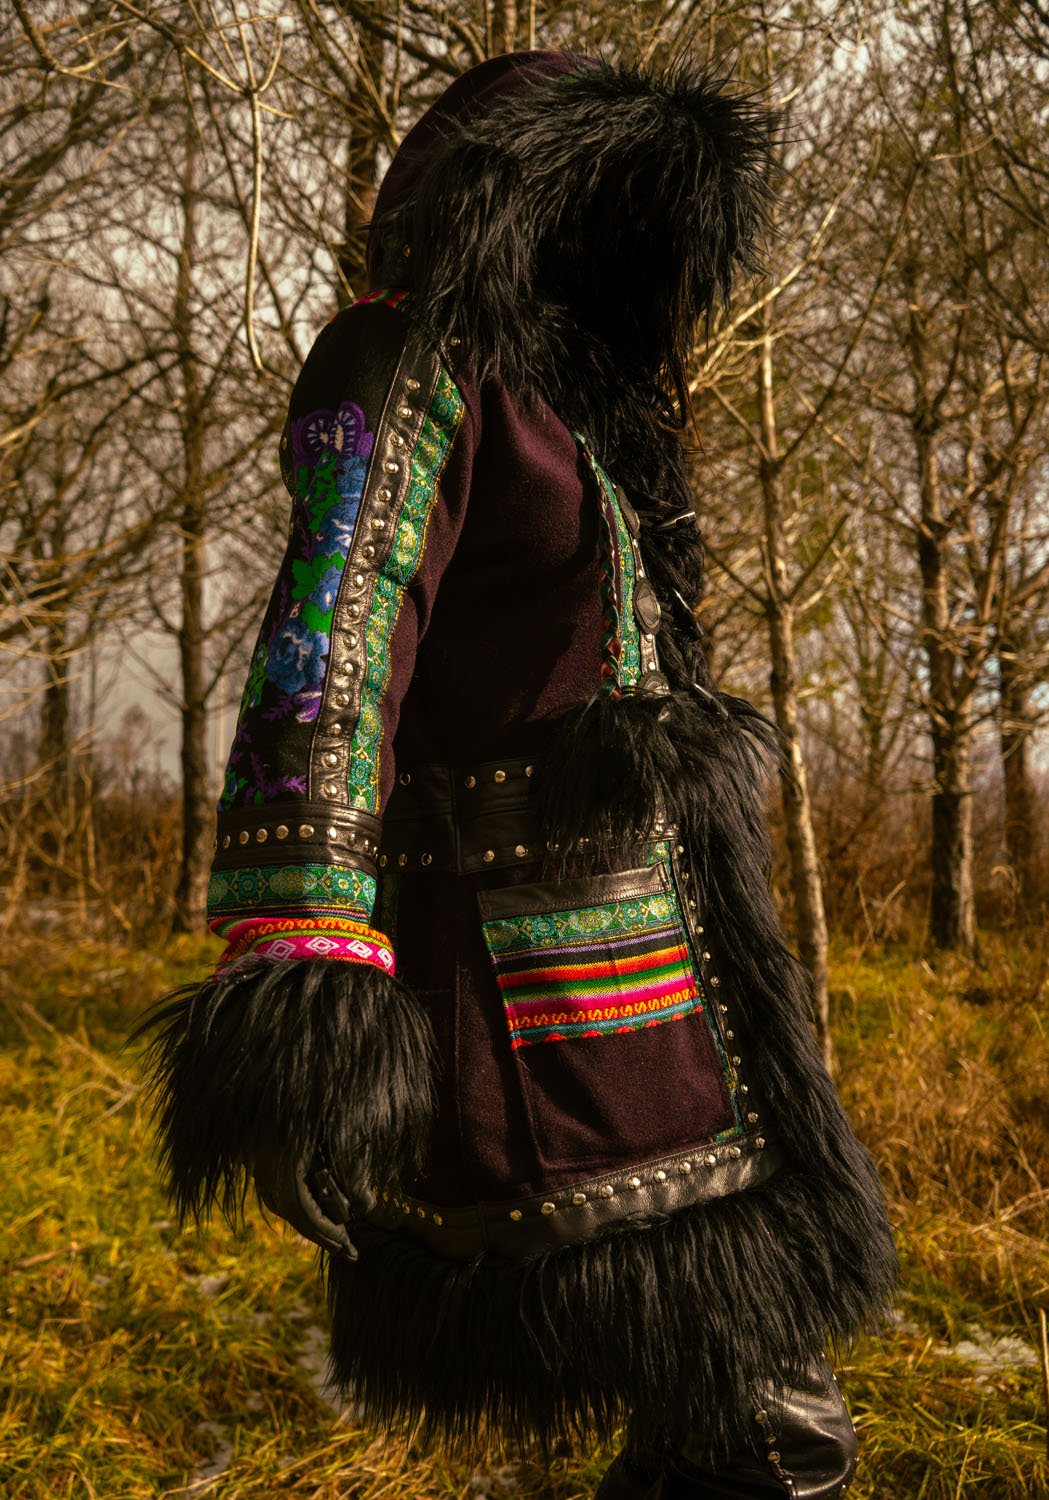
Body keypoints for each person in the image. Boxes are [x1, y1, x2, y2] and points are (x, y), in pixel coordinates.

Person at [142, 49, 895, 1499]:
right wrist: (303, 969)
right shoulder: (406, 358)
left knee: (719, 1419)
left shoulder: (578, 405)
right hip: (532, 993)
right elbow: (330, 647)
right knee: (764, 1421)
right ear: (511, 199)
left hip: (667, 981)